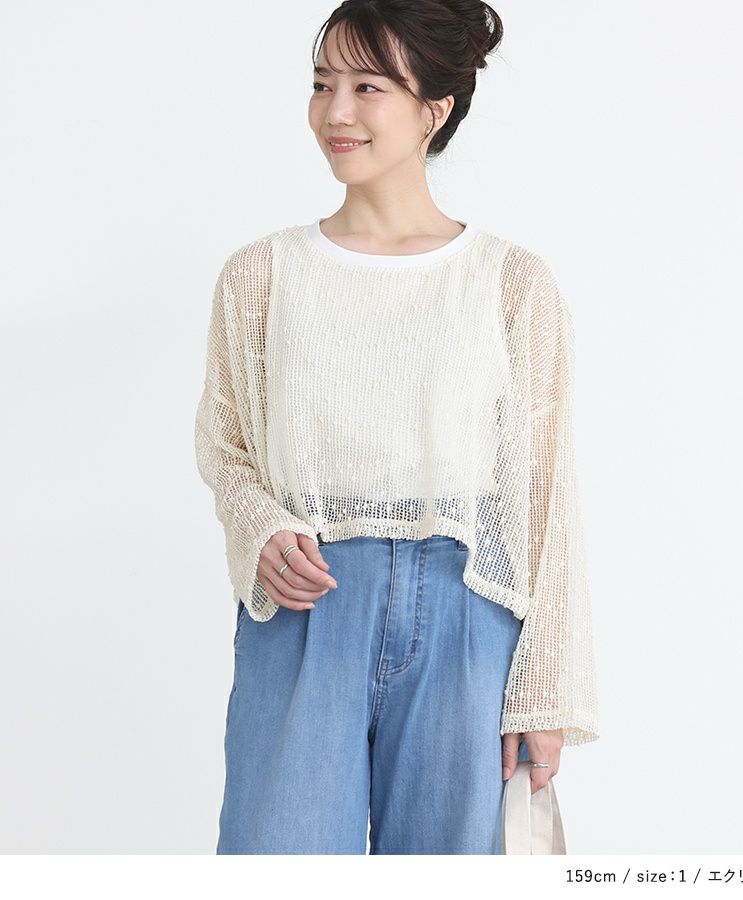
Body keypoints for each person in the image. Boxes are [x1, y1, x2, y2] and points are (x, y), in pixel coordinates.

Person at [194, 0, 599, 855]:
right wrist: (260, 522)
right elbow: (226, 446)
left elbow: (542, 497)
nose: (336, 112)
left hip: (468, 611)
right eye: (322, 84)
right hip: (306, 606)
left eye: (367, 87)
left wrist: (543, 691)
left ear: (433, 109)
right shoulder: (261, 276)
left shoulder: (510, 284)